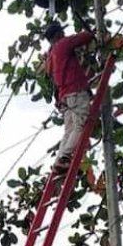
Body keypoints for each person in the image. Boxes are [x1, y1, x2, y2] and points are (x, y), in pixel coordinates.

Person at [44, 21, 96, 174]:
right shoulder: (63, 44)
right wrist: (93, 31)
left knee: (69, 130)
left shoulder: (51, 55)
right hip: (75, 91)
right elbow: (84, 38)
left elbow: (49, 74)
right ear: (58, 34)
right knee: (80, 125)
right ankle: (64, 158)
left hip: (64, 97)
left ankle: (60, 159)